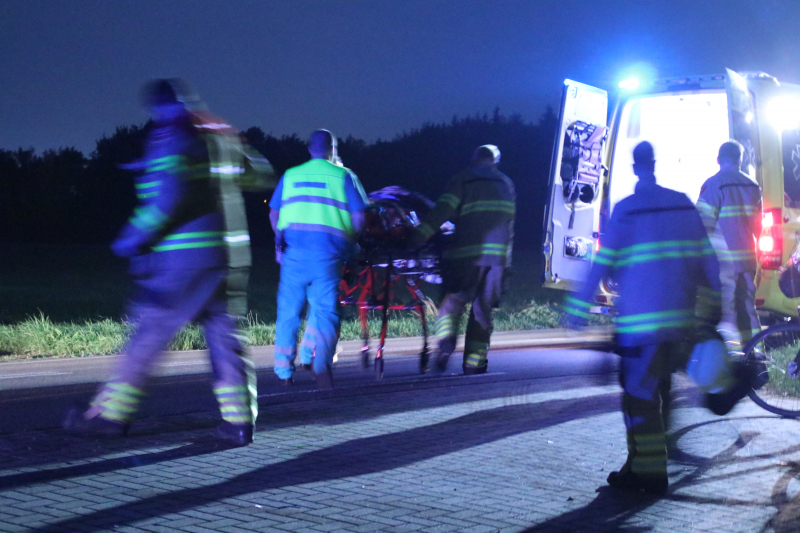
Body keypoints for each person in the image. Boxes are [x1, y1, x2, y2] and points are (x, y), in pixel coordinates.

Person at [65, 79, 274, 446]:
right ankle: (239, 423)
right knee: (227, 342)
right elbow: (262, 175)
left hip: (182, 262)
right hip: (228, 259)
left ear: (158, 107)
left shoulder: (169, 136)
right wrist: (233, 139)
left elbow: (168, 197)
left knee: (145, 339)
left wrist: (131, 238)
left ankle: (109, 417)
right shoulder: (217, 135)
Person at [564, 141, 746, 494]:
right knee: (661, 390)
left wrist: (577, 309)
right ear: (655, 165)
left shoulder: (627, 210)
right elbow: (708, 258)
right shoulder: (681, 202)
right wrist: (715, 309)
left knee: (638, 398)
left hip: (640, 326)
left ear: (635, 168)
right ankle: (637, 466)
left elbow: (602, 263)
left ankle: (648, 475)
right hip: (680, 321)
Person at [269, 129, 368, 388]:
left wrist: (280, 242)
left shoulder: (291, 175)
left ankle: (283, 372)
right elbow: (359, 218)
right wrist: (349, 245)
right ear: (332, 149)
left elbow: (274, 213)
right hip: (328, 258)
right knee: (325, 313)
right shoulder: (343, 176)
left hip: (294, 257)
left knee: (288, 313)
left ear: (309, 148)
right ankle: (321, 367)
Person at [410, 145, 516, 375]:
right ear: (495, 162)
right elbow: (509, 226)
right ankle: (474, 364)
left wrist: (416, 238)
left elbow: (441, 212)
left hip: (466, 257)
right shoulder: (507, 184)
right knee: (482, 311)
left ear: (474, 159)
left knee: (451, 304)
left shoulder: (464, 180)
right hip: (497, 262)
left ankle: (446, 348)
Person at [696, 140, 762, 350]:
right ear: (740, 159)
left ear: (718, 160)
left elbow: (702, 225)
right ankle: (756, 357)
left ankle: (726, 363)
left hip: (723, 261)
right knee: (747, 310)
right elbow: (758, 227)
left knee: (724, 313)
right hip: (748, 259)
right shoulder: (752, 186)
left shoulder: (714, 184)